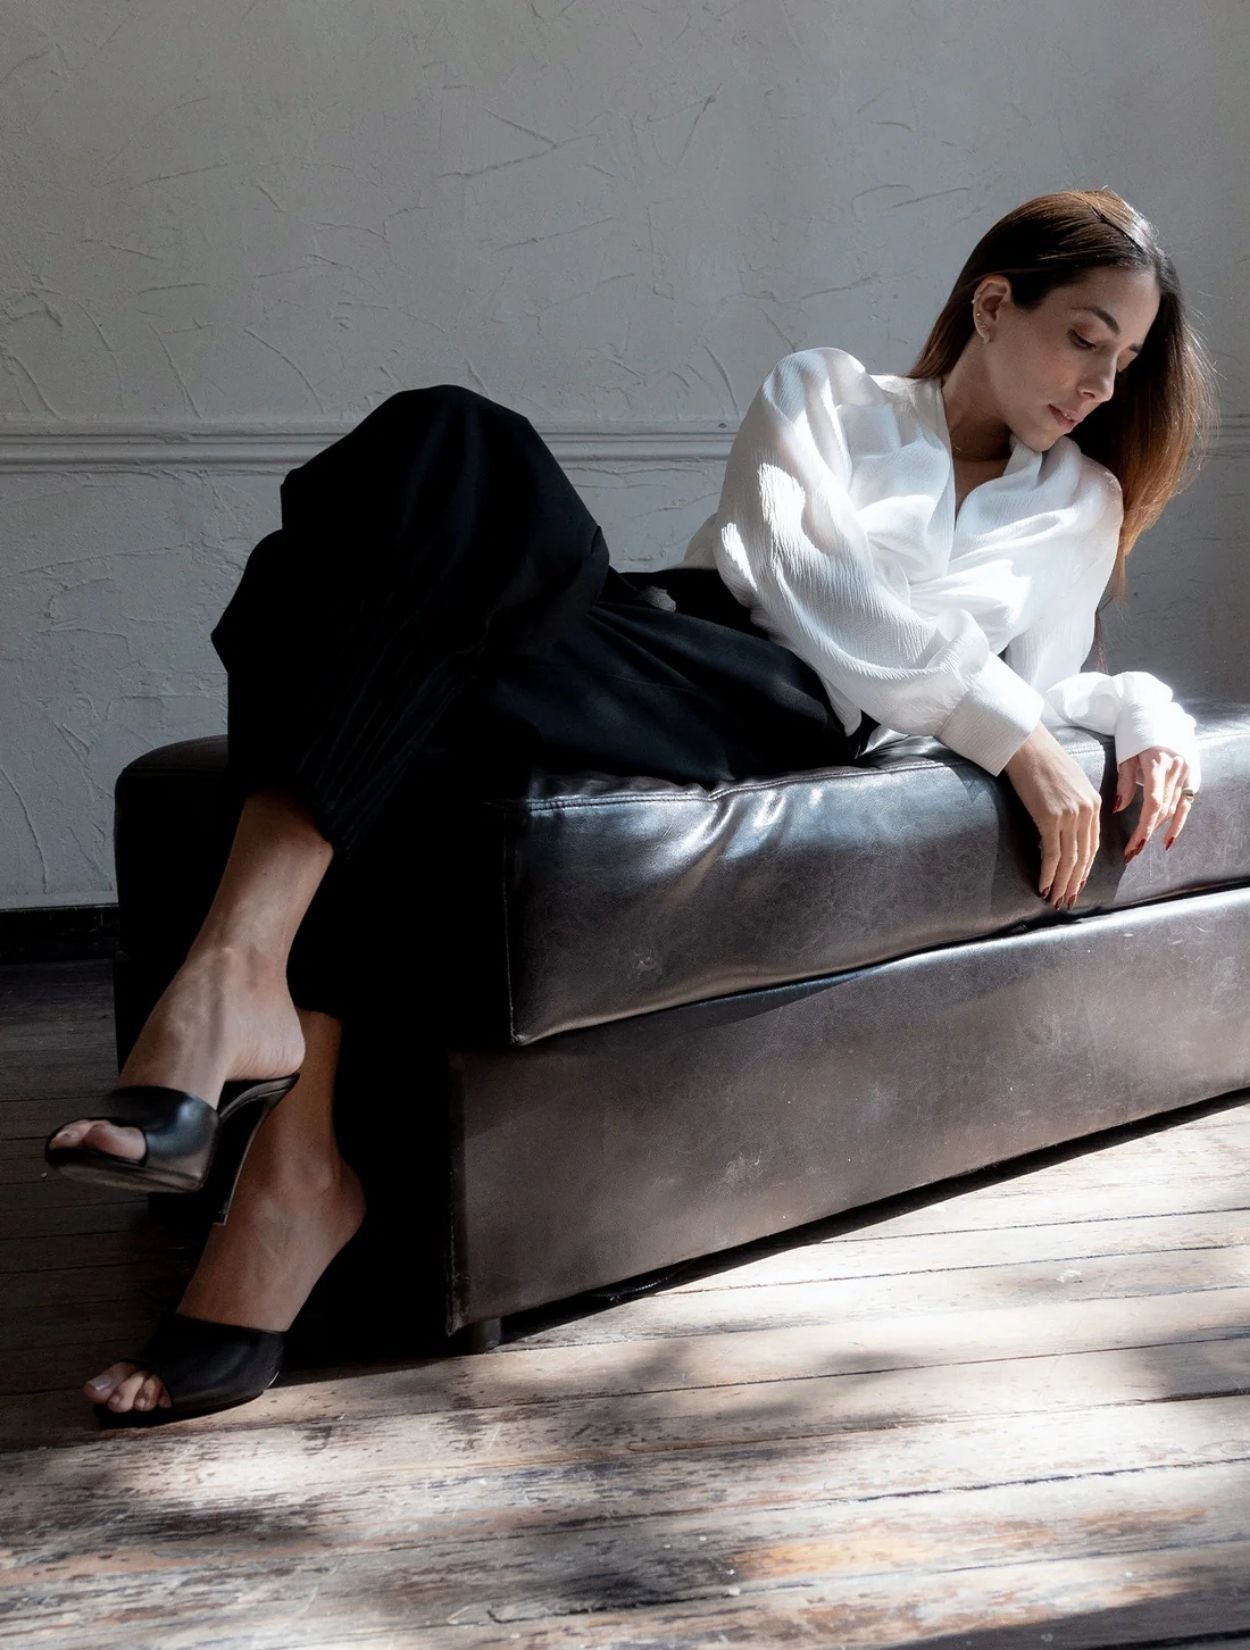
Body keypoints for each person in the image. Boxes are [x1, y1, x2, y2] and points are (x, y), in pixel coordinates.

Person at [44, 186, 1214, 1425]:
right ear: (992, 305)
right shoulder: (826, 391)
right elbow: (801, 577)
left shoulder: (1078, 502)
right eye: (1084, 338)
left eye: (1124, 360)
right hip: (682, 637)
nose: (1100, 383)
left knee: (317, 588)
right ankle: (273, 1102)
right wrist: (998, 719)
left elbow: (1043, 679)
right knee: (451, 438)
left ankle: (250, 1050)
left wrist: (1142, 714)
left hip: (781, 716)